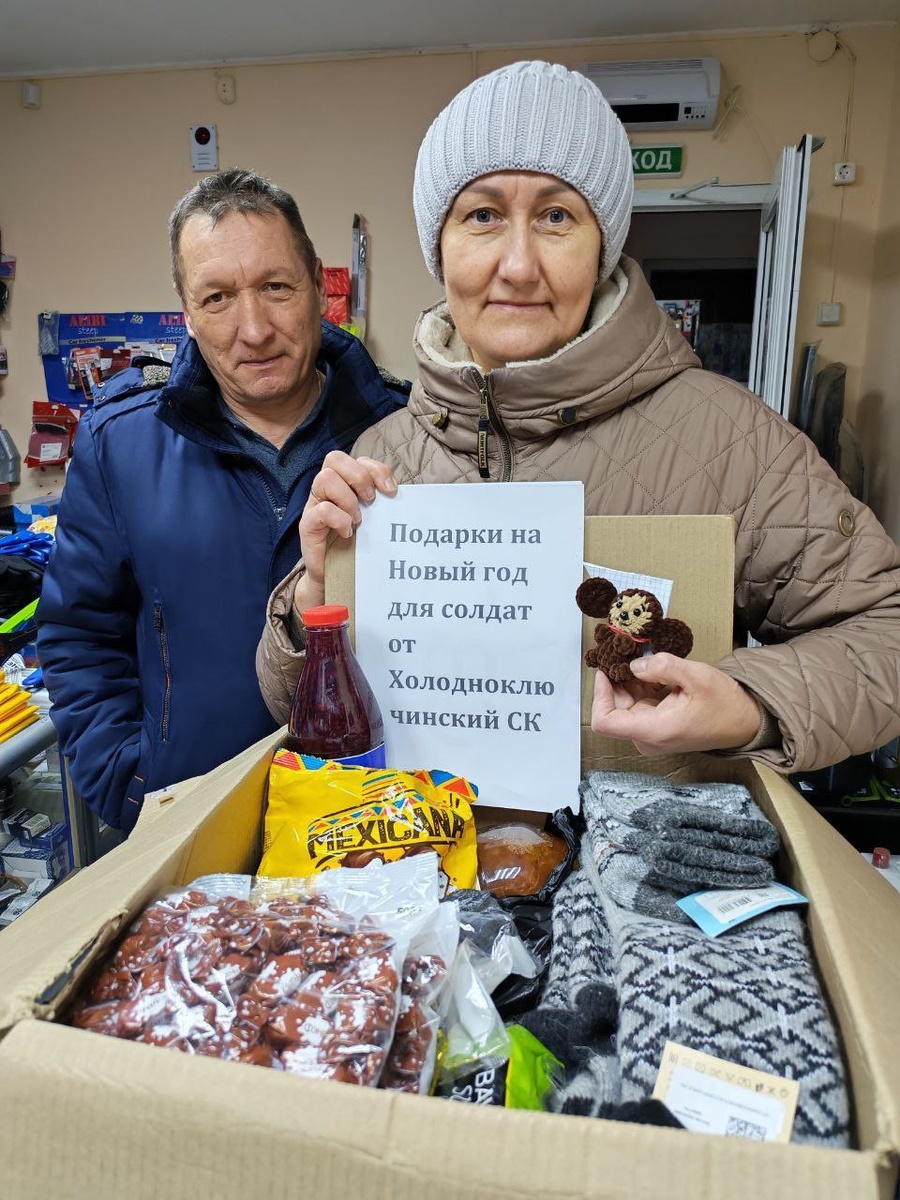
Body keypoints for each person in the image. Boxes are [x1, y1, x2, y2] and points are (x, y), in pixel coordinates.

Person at [255, 61, 900, 775]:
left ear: (603, 248)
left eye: (557, 217)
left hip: (647, 845)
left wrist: (751, 703)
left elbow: (885, 632)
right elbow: (290, 710)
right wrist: (315, 601)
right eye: (482, 215)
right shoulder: (383, 455)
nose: (518, 265)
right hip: (417, 842)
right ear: (440, 246)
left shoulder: (731, 439)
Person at [37, 168, 409, 833]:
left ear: (316, 286)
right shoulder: (120, 445)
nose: (254, 329)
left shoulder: (404, 432)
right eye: (217, 298)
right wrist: (133, 784)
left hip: (378, 819)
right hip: (189, 826)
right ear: (186, 311)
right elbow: (78, 635)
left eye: (275, 287)